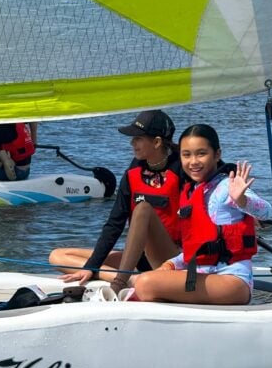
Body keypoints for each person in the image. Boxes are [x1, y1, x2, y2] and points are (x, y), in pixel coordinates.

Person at [128, 123, 272, 306]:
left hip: (233, 282)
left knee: (145, 283)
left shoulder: (227, 187)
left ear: (217, 154)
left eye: (201, 154)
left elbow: (267, 212)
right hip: (203, 275)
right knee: (146, 278)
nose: (193, 161)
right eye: (186, 155)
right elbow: (195, 249)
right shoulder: (191, 191)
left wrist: (243, 201)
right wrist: (171, 265)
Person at [50, 109, 182, 289]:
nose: (132, 143)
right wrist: (91, 266)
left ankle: (122, 280)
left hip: (170, 259)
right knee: (57, 256)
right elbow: (114, 223)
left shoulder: (182, 169)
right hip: (139, 259)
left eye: (138, 138)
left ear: (157, 142)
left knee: (143, 209)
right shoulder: (133, 172)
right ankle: (132, 278)